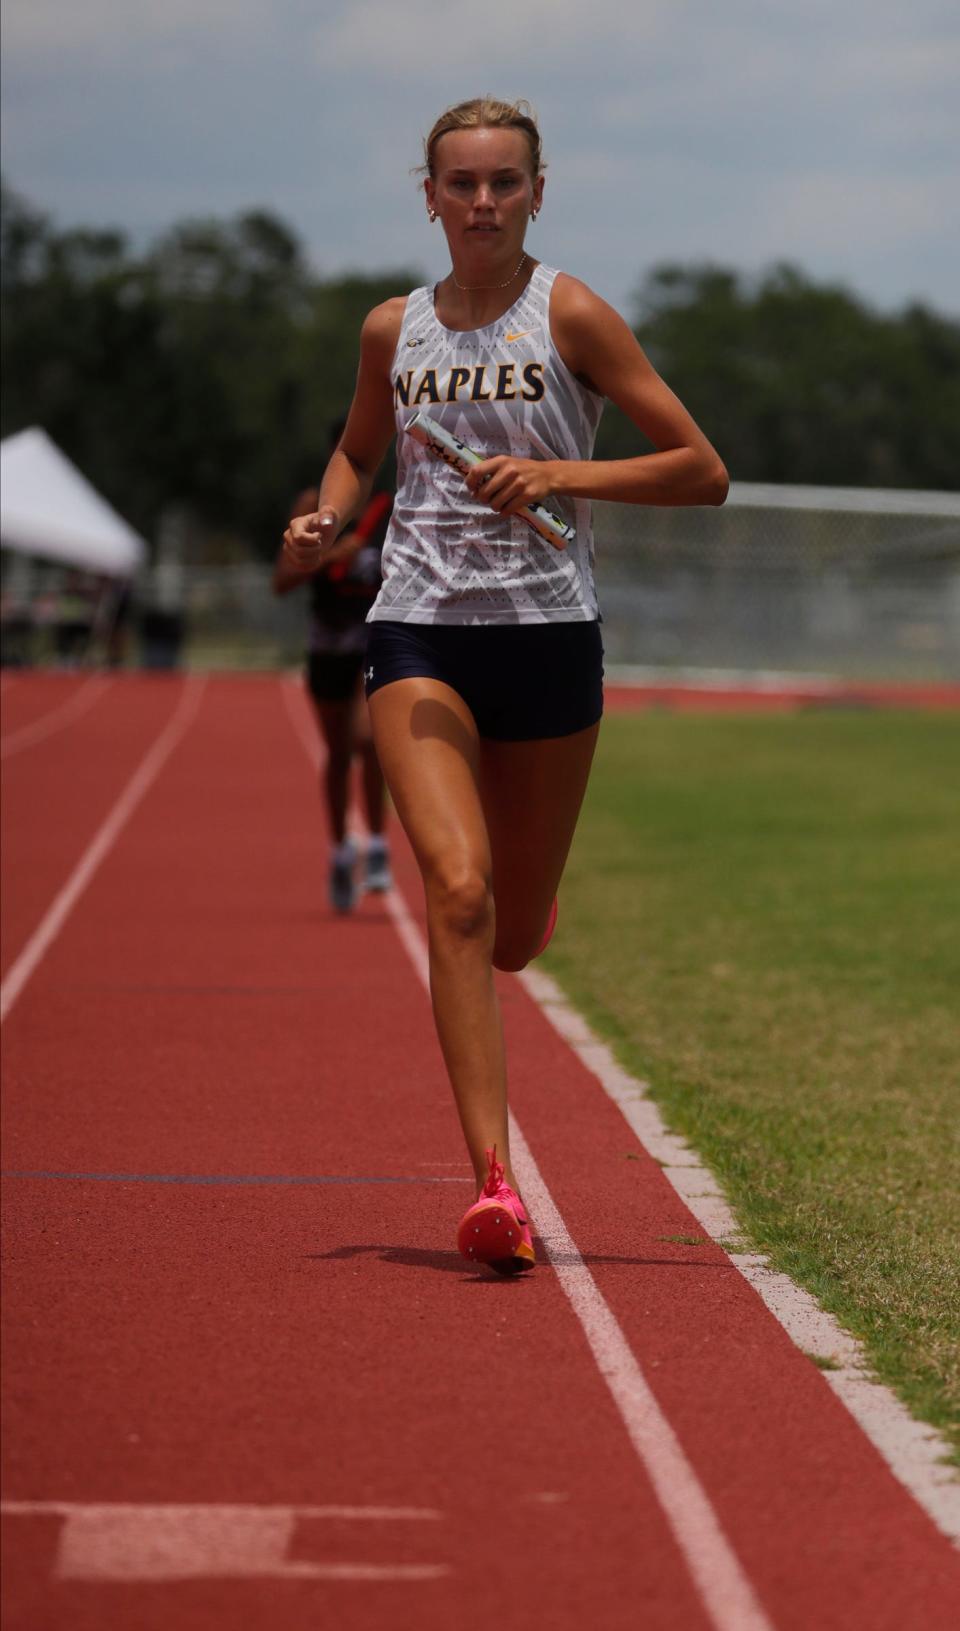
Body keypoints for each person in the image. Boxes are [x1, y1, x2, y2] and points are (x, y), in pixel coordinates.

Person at [284, 96, 727, 1273]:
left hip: (547, 639)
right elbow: (356, 443)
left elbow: (701, 468)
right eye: (461, 182)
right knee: (459, 891)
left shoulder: (569, 311)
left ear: (538, 191)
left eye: (504, 182)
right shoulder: (392, 328)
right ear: (426, 196)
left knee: (517, 932)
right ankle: (493, 1182)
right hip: (419, 632)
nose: (482, 202)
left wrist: (558, 471)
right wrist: (328, 512)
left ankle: (530, 914)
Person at [274, 421, 392, 911]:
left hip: (374, 637)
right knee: (339, 752)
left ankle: (379, 846)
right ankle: (342, 848)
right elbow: (281, 582)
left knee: (370, 739)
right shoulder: (311, 507)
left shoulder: (392, 508)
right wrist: (325, 556)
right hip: (327, 642)